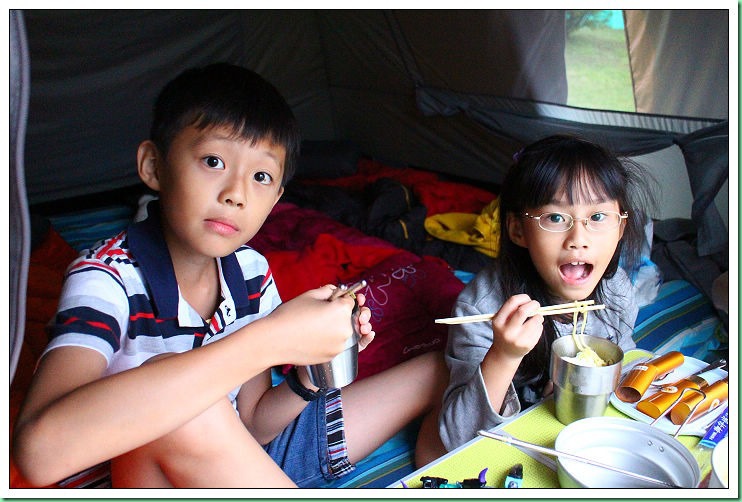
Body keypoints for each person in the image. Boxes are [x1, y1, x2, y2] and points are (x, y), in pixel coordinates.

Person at [12, 63, 447, 488]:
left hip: (228, 459)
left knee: (439, 366)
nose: (236, 193)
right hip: (133, 477)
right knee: (180, 396)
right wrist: (272, 338)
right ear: (153, 166)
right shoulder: (106, 279)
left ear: (276, 198)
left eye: (260, 176)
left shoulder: (249, 272)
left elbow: (254, 424)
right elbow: (39, 456)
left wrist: (308, 372)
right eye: (213, 161)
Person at [438, 135, 656, 450]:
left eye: (597, 217)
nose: (578, 238)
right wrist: (504, 353)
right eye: (555, 217)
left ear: (621, 227)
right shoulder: (481, 307)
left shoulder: (616, 290)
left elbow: (621, 362)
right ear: (517, 230)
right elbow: (457, 440)